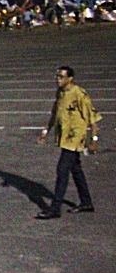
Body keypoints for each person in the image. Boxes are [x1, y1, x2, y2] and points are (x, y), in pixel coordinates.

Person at [35, 66, 101, 219]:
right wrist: (46, 131)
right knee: (76, 170)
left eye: (61, 77)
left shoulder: (79, 94)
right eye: (57, 76)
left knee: (62, 171)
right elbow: (55, 113)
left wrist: (94, 140)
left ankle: (55, 208)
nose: (58, 79)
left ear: (70, 78)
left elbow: (93, 119)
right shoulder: (60, 93)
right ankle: (86, 202)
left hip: (75, 138)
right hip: (65, 138)